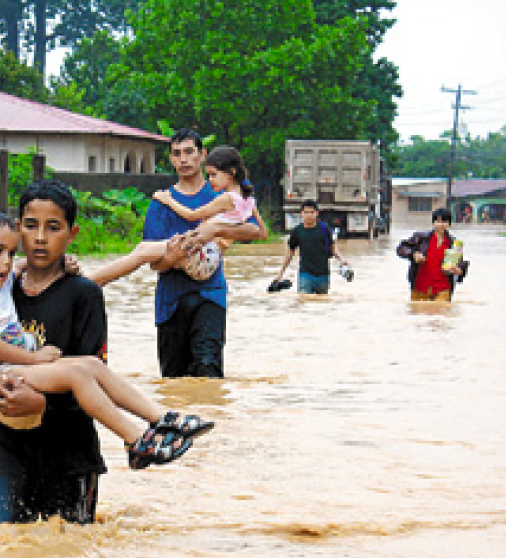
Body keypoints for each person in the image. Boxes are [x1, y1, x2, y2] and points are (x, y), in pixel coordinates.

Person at [0, 180, 203, 526]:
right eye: (30, 227)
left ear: (71, 234)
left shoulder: (84, 295)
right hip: (9, 450)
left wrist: (41, 404)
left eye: (53, 228)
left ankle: (149, 428)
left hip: (71, 456)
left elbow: (96, 379)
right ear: (17, 231)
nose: (40, 238)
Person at [136, 129, 268, 378]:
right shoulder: (160, 203)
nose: (183, 159)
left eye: (189, 152)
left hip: (211, 294)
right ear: (171, 160)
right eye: (177, 154)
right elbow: (153, 263)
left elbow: (254, 231)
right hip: (170, 300)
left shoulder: (222, 193)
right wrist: (174, 259)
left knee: (208, 369)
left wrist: (218, 233)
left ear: (202, 155)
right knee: (173, 378)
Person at [90, 145, 268, 286]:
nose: (211, 180)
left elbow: (192, 216)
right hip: (209, 260)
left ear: (231, 173)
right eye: (209, 175)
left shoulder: (226, 198)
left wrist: (167, 200)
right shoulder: (248, 200)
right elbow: (263, 233)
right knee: (148, 253)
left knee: (143, 250)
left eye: (214, 175)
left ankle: (93, 281)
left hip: (204, 255)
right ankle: (98, 281)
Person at [272, 199, 350, 295]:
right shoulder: (297, 231)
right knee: (303, 300)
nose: (309, 215)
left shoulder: (324, 229)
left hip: (323, 275)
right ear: (302, 214)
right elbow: (290, 253)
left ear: (316, 213)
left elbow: (332, 248)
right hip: (305, 274)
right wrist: (280, 274)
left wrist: (342, 260)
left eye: (311, 212)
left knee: (321, 302)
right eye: (306, 212)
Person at [396, 206, 469, 301]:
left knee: (442, 312)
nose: (441, 224)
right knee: (418, 312)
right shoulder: (421, 238)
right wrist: (414, 254)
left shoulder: (454, 243)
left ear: (449, 224)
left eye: (444, 221)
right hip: (420, 286)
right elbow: (401, 248)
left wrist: (459, 270)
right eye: (438, 221)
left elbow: (460, 263)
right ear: (433, 223)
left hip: (443, 287)